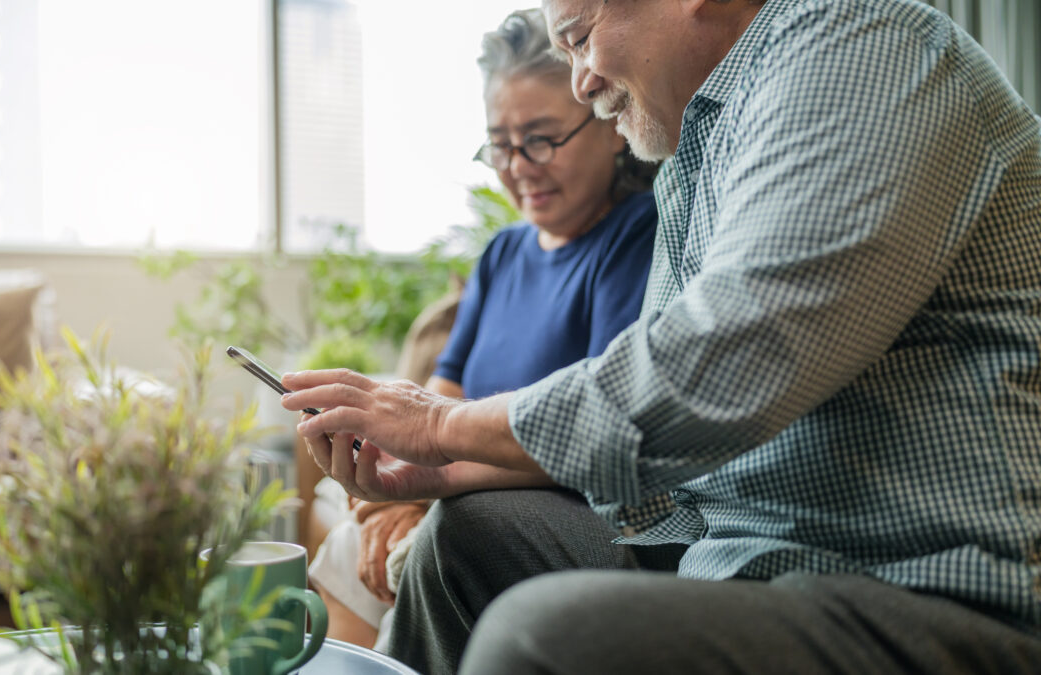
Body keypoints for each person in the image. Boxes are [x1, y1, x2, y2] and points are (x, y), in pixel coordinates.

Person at [283, 0, 1041, 672]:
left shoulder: (863, 46)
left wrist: (440, 426)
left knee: (545, 632)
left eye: (580, 37)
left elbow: (716, 370)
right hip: (743, 560)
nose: (579, 79)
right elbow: (666, 474)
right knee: (467, 539)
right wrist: (438, 472)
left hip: (935, 588)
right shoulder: (691, 162)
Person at [305, 8, 664, 651]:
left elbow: (599, 431)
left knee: (435, 540)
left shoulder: (638, 237)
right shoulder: (502, 255)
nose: (518, 165)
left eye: (542, 138)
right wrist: (399, 492)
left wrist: (429, 488)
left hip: (556, 506)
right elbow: (443, 391)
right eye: (500, 144)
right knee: (352, 541)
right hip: (458, 487)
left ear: (608, 123)